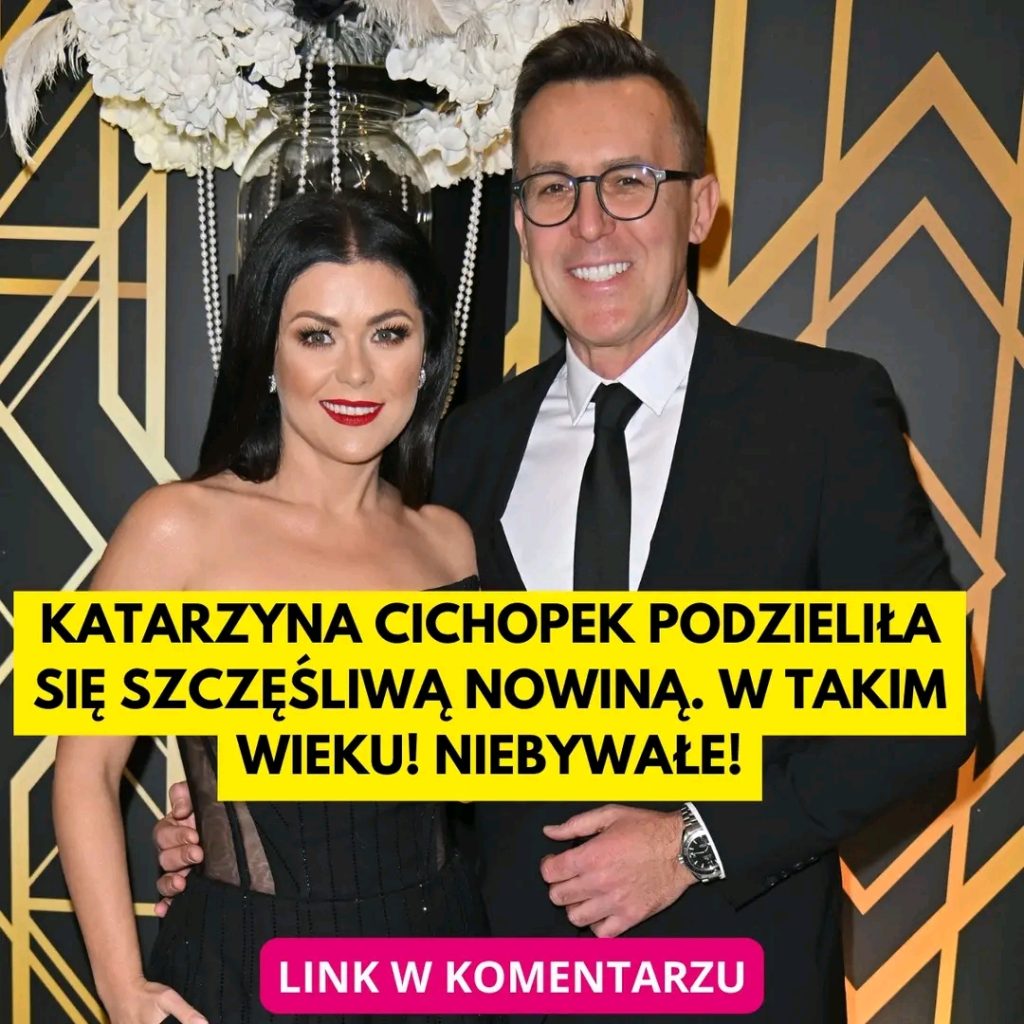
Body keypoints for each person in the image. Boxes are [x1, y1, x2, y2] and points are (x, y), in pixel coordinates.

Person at [154, 21, 981, 1023]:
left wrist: (695, 840)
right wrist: (237, 806)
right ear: (521, 220)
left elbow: (933, 711)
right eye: (553, 188)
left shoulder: (824, 413)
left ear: (700, 207)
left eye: (629, 180)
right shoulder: (461, 447)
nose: (590, 225)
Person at [54, 192, 488, 1024]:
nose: (355, 373)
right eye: (317, 335)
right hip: (248, 974)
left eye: (388, 333)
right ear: (267, 352)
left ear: (429, 356)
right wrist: (122, 989)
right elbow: (86, 770)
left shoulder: (448, 546)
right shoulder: (177, 529)